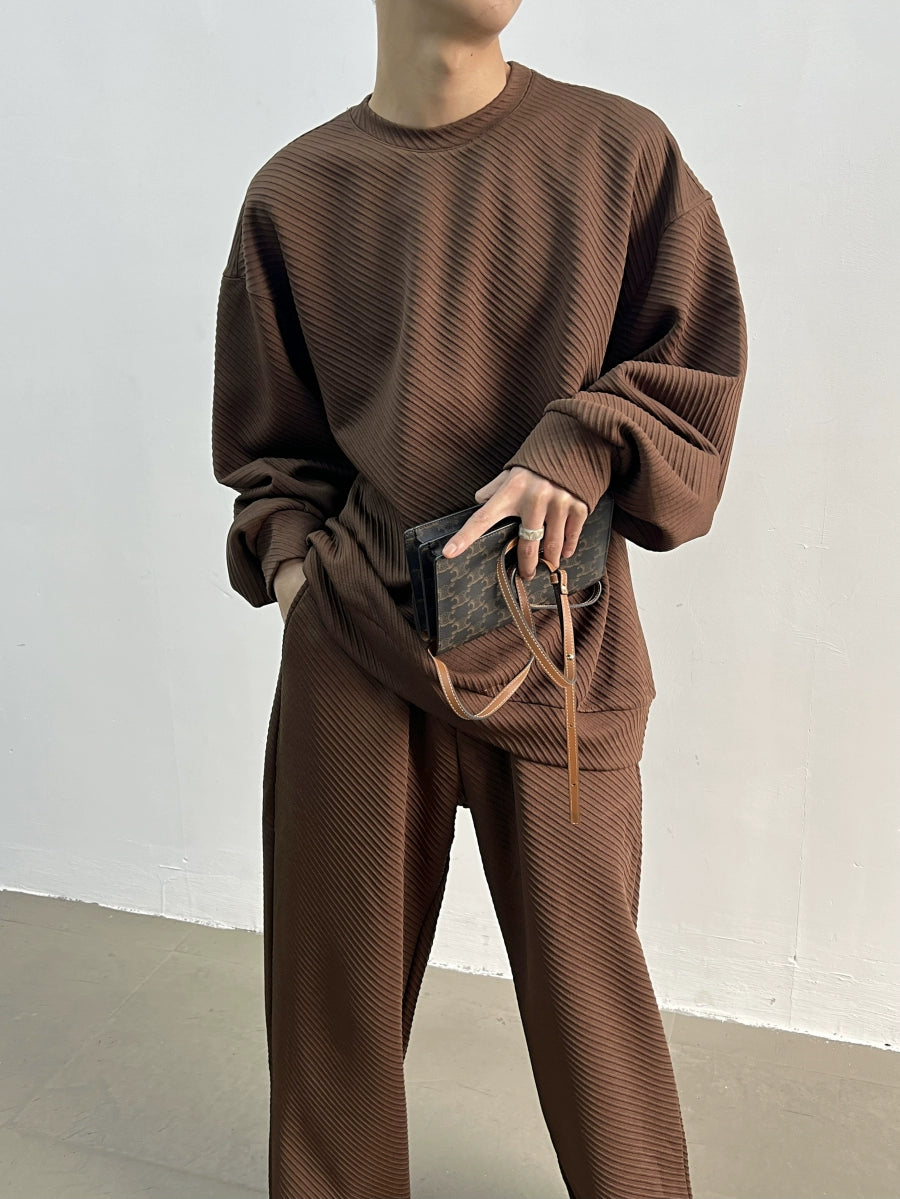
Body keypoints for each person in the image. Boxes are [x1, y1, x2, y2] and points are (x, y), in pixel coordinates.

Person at [211, 3, 748, 1197]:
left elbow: (693, 380)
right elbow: (273, 450)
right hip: (356, 648)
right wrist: (299, 581)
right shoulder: (297, 193)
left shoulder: (619, 153)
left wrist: (583, 438)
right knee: (332, 1008)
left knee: (597, 1012)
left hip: (558, 649)